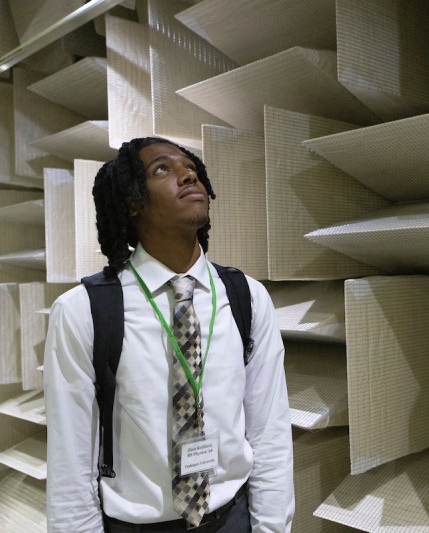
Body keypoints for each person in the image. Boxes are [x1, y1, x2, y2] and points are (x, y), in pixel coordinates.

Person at [44, 137, 294, 532]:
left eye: (190, 165)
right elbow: (70, 462)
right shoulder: (83, 311)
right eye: (163, 168)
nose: (188, 173)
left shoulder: (247, 297)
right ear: (132, 202)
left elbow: (270, 432)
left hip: (233, 518)